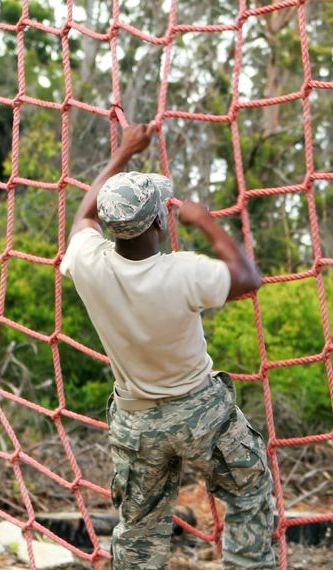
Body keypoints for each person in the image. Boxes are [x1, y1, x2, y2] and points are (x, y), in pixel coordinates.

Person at [60, 123, 277, 569]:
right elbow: (250, 279)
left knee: (139, 532)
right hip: (201, 415)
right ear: (161, 221)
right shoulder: (184, 271)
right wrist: (207, 224)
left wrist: (122, 154)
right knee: (249, 491)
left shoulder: (88, 263)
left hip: (136, 421)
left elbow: (83, 218)